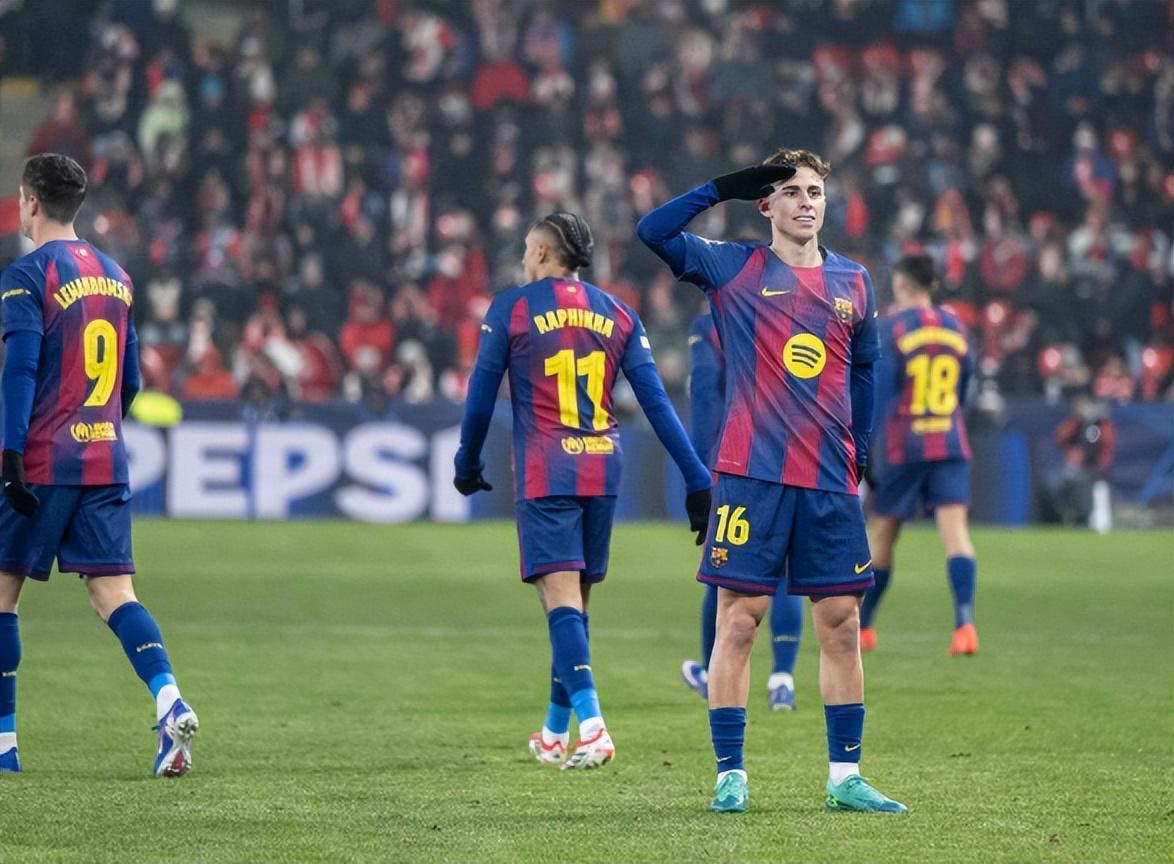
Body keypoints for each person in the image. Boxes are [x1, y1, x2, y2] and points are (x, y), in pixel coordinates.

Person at [638, 150, 905, 814]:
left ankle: (845, 776)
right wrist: (723, 187)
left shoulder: (855, 280)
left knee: (841, 622)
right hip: (750, 474)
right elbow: (653, 231)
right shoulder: (734, 267)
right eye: (790, 191)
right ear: (767, 205)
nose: (805, 202)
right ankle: (730, 774)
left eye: (815, 191)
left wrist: (861, 447)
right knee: (739, 621)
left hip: (828, 478)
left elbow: (865, 370)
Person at [454, 212, 711, 771]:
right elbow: (655, 401)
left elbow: (480, 394)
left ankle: (593, 728)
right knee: (572, 603)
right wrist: (697, 477)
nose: (524, 259)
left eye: (528, 249)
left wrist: (467, 459)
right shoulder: (618, 311)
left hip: (548, 467)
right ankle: (553, 732)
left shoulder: (512, 308)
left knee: (560, 600)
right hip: (602, 463)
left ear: (544, 253)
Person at [0, 153, 197, 777]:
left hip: (41, 459)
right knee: (114, 595)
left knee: (2, 596)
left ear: (31, 202)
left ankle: (3, 746)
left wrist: (10, 457)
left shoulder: (27, 274)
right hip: (104, 458)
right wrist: (99, 430)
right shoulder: (117, 275)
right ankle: (169, 700)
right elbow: (129, 381)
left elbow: (20, 369)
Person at [681, 310, 805, 711]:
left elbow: (705, 395)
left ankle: (710, 672)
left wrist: (699, 470)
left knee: (721, 568)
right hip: (791, 455)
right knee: (784, 567)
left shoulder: (711, 323)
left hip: (735, 461)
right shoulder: (791, 315)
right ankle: (782, 679)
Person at [860, 254, 978, 656]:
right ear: (933, 285)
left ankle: (865, 627)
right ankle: (964, 624)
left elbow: (879, 395)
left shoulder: (891, 328)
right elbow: (965, 388)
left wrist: (867, 450)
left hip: (904, 443)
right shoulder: (957, 328)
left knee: (883, 533)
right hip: (949, 439)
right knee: (956, 532)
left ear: (900, 284)